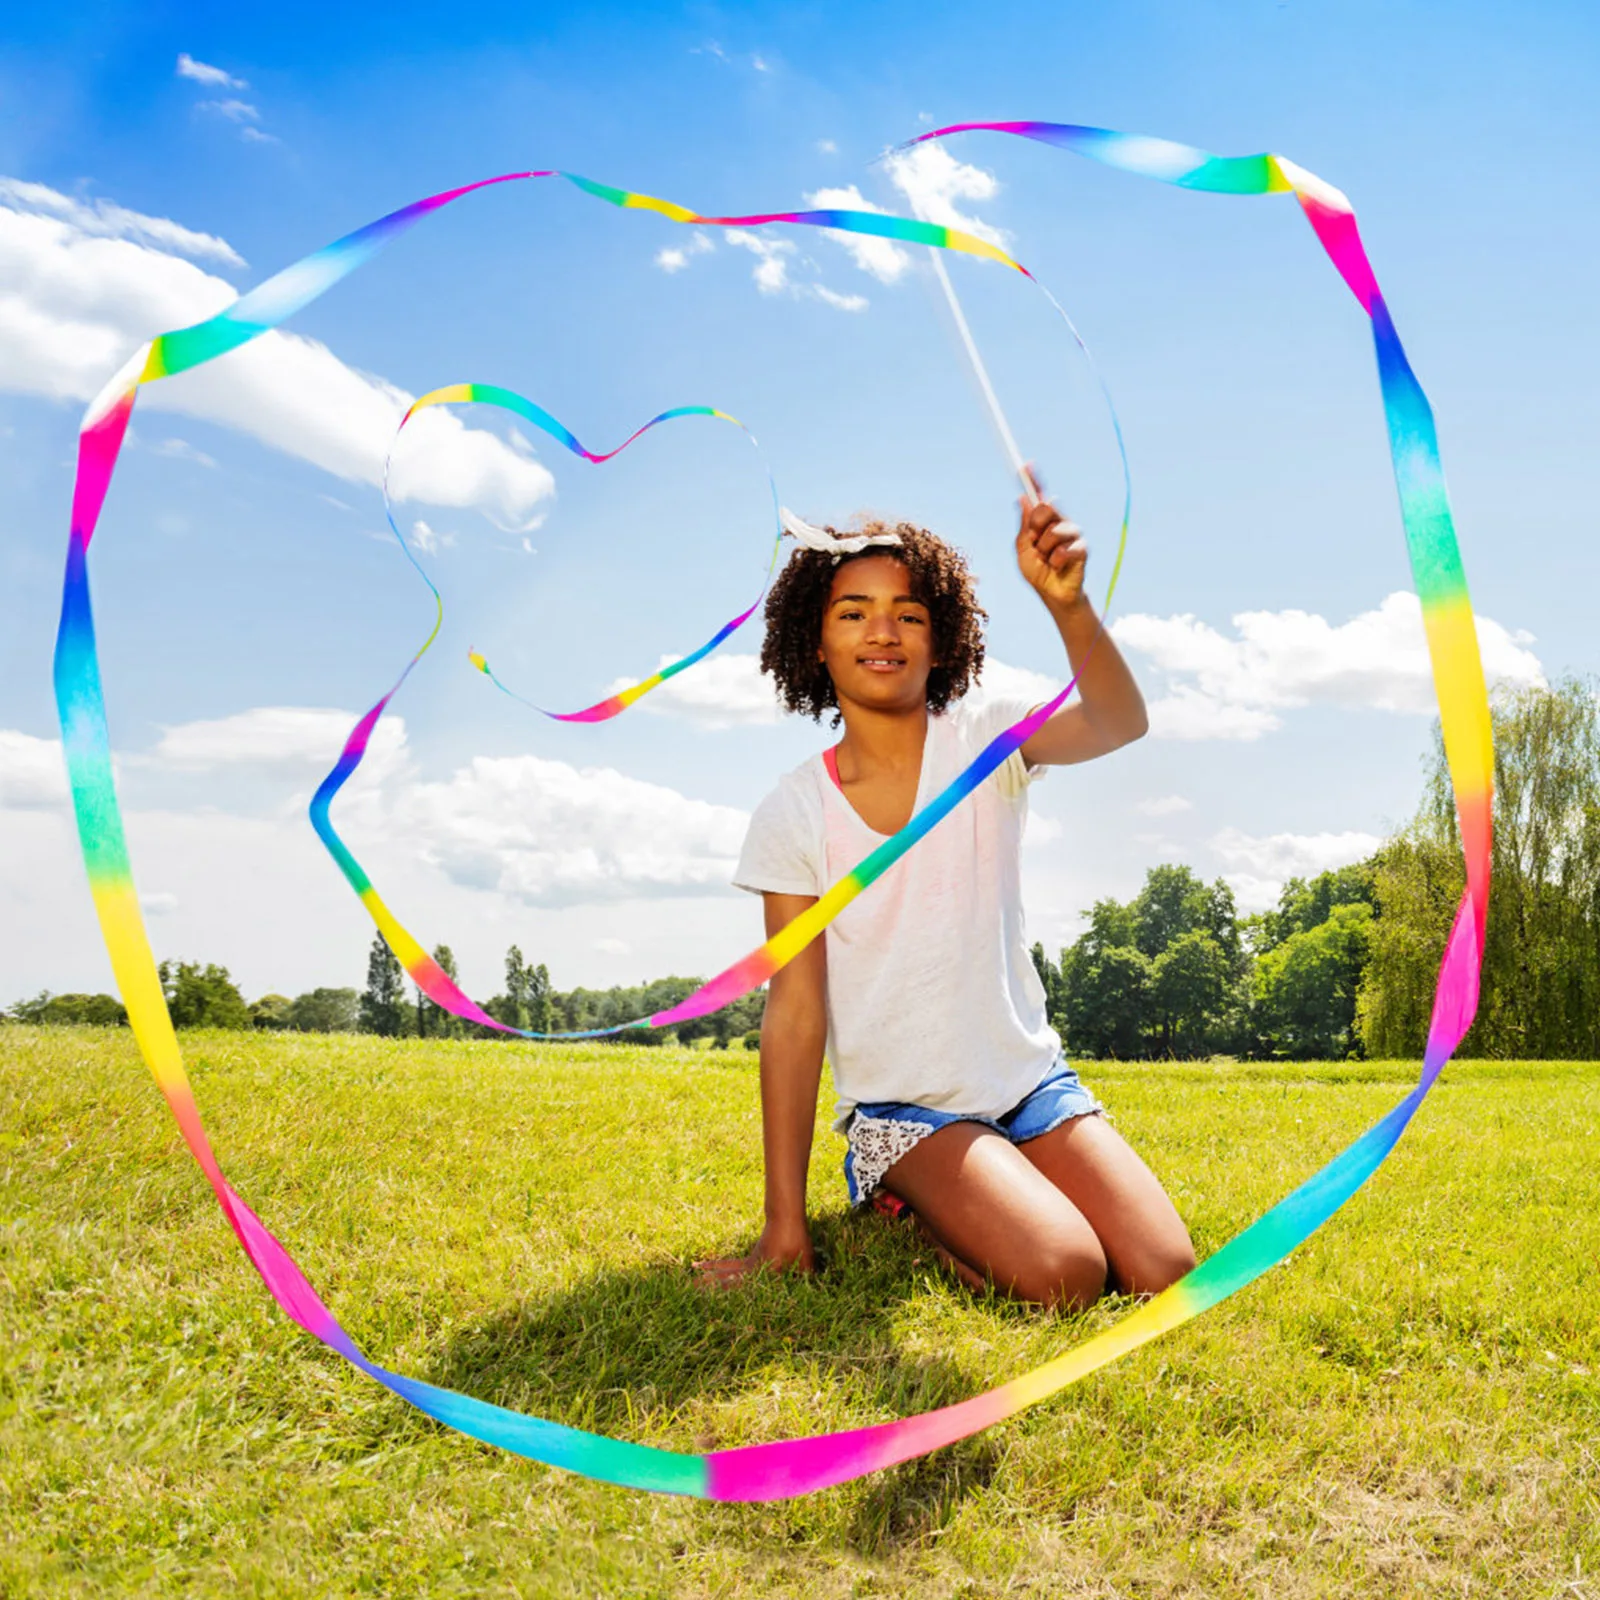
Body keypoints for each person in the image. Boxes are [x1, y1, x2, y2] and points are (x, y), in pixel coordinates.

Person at [696, 488, 1196, 1308]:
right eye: (852, 613)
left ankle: (999, 1183)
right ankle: (899, 1197)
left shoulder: (987, 741)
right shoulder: (794, 812)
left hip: (1029, 1084)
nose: (882, 631)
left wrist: (1066, 606)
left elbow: (1118, 721)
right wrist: (783, 1227)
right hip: (910, 1110)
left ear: (943, 640)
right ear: (814, 642)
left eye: (910, 614)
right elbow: (794, 1011)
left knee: (1162, 1269)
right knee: (1067, 1275)